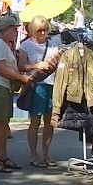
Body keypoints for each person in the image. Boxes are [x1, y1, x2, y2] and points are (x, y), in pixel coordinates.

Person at [0, 15, 31, 173]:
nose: (15, 33)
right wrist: (21, 78)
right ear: (5, 29)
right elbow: (1, 68)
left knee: (3, 125)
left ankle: (3, 156)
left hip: (3, 86)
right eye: (13, 29)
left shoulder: (1, 43)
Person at [18, 15, 62, 168]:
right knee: (35, 121)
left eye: (45, 30)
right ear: (32, 31)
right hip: (36, 86)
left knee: (50, 122)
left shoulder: (53, 43)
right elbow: (21, 66)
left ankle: (46, 153)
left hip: (52, 84)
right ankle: (33, 154)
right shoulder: (26, 46)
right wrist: (36, 65)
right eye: (39, 31)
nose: (43, 34)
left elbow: (58, 63)